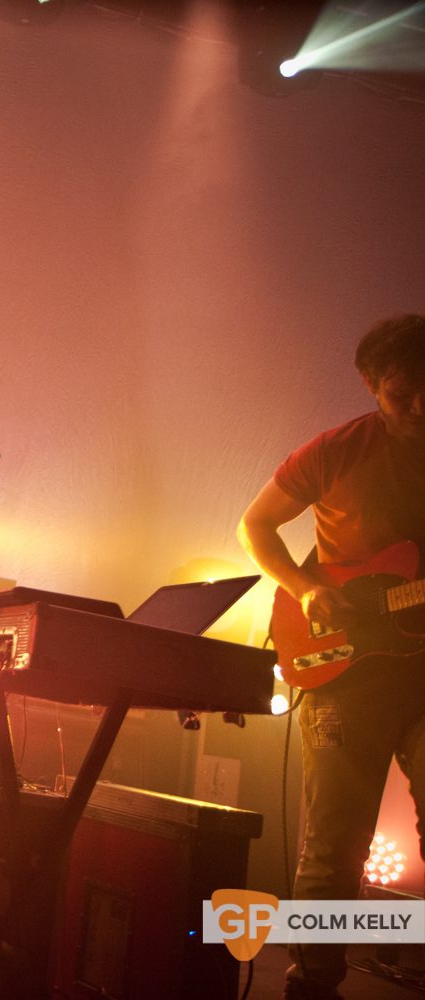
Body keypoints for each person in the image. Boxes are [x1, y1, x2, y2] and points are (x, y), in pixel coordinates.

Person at [237, 314, 425, 1000]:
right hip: (342, 668)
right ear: (371, 386)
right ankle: (312, 984)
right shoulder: (337, 450)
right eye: (403, 392)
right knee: (333, 849)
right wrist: (305, 585)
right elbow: (255, 525)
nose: (420, 406)